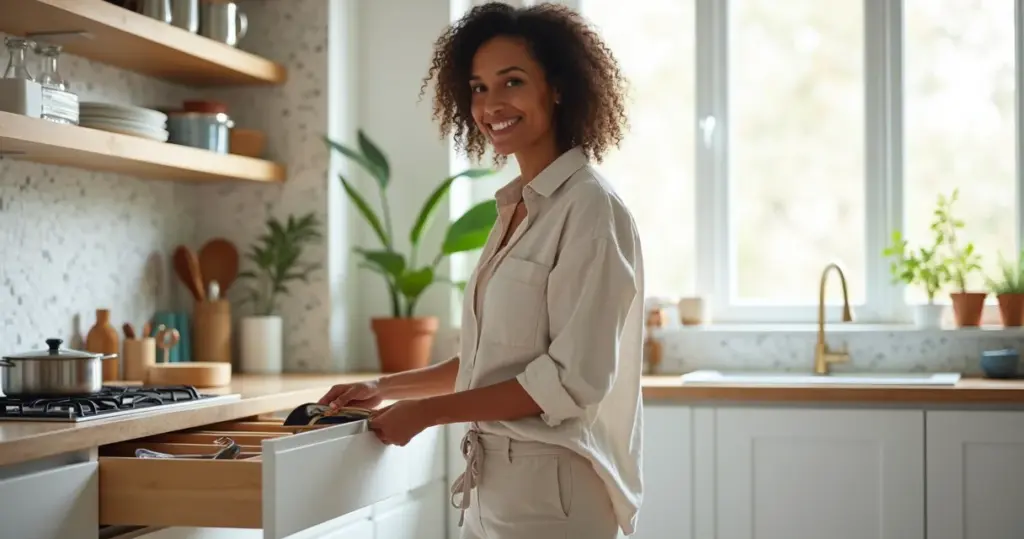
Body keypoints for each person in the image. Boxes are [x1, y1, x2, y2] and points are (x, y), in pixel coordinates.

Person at [318, 3, 644, 537]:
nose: (490, 104)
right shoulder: (519, 208)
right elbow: (487, 360)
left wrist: (426, 414)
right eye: (477, 88)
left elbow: (568, 380)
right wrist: (386, 387)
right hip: (492, 486)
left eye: (511, 82)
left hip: (553, 496)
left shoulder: (590, 209)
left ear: (557, 87)